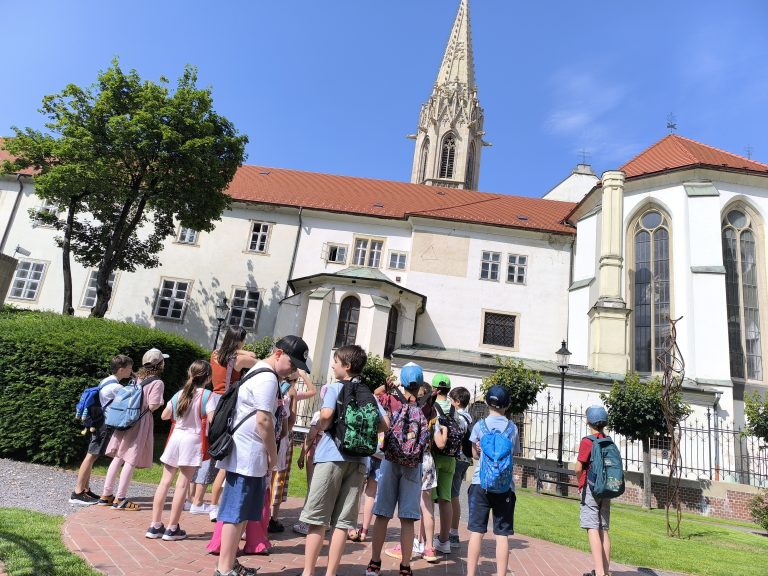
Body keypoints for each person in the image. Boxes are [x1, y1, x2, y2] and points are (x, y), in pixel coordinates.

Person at [213, 335, 309, 576]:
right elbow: (264, 420)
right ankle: (224, 568)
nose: (293, 370)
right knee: (236, 513)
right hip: (247, 456)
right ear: (278, 354)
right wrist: (273, 456)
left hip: (248, 455)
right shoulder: (267, 378)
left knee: (242, 512)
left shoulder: (262, 373)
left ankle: (230, 563)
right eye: (292, 363)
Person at [298, 345, 388, 576]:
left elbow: (326, 415)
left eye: (336, 362)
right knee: (342, 523)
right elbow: (385, 424)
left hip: (331, 456)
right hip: (359, 461)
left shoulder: (335, 388)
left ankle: (308, 572)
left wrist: (325, 426)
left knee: (318, 519)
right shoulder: (368, 393)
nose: (332, 365)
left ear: (346, 366)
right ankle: (331, 573)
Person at [367, 363, 439, 576]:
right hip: (413, 464)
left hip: (390, 460)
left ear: (403, 382)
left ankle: (374, 563)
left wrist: (388, 386)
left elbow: (373, 396)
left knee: (382, 514)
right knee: (408, 518)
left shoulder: (391, 399)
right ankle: (406, 566)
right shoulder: (427, 406)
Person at [146, 360, 218, 540]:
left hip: (175, 438)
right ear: (208, 378)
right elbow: (213, 420)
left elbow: (164, 416)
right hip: (192, 441)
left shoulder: (180, 393)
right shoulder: (208, 396)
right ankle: (172, 528)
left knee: (164, 482)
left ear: (190, 374)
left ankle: (155, 525)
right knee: (182, 484)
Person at [191, 327, 258, 520]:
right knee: (221, 452)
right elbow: (256, 360)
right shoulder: (237, 359)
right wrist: (243, 351)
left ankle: (195, 498)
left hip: (213, 399)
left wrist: (238, 350)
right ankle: (210, 504)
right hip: (227, 403)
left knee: (207, 450)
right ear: (240, 341)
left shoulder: (215, 354)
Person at [98, 348, 167, 510]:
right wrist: (161, 402)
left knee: (118, 457)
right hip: (140, 422)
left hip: (125, 420)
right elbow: (153, 405)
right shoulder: (157, 382)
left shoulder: (137, 378)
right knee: (130, 459)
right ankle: (120, 498)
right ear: (159, 364)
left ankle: (106, 495)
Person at [466, 385, 519, 576]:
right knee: (502, 535)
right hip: (505, 487)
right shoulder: (513, 429)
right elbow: (512, 453)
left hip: (481, 483)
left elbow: (475, 455)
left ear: (487, 403)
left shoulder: (479, 426)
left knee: (477, 532)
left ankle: (471, 574)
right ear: (508, 405)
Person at [69, 354, 134, 505]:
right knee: (91, 456)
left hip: (98, 423)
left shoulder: (106, 380)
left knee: (91, 456)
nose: (131, 371)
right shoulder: (116, 387)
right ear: (121, 369)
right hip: (104, 425)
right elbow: (131, 399)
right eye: (130, 368)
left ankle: (85, 489)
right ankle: (77, 493)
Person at [429, 373, 466, 556]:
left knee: (428, 500)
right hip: (451, 459)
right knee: (446, 499)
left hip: (433, 457)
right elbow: (462, 430)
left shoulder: (432, 407)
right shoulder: (455, 411)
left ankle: (424, 541)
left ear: (434, 389)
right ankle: (444, 541)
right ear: (449, 390)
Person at [575, 405, 612, 576]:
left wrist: (580, 482)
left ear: (588, 422)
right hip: (606, 488)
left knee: (592, 527)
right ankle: (605, 570)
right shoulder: (608, 440)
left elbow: (578, 467)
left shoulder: (587, 441)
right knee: (603, 528)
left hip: (590, 487)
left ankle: (599, 572)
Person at [292, 384, 328, 535]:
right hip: (330, 457)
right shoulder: (339, 414)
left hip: (316, 455)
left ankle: (306, 523)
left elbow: (311, 436)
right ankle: (324, 522)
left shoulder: (319, 415)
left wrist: (302, 455)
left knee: (312, 488)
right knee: (325, 489)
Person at [448, 386, 472, 547]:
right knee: (452, 495)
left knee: (452, 496)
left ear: (457, 402)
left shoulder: (459, 417)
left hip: (458, 458)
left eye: (451, 400)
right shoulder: (468, 417)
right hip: (465, 459)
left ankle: (453, 533)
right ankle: (451, 532)